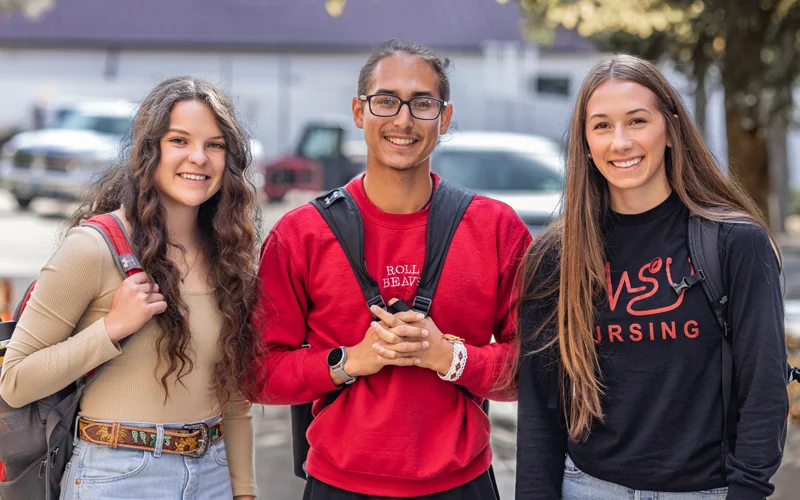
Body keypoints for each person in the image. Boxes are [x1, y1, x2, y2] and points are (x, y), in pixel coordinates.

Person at [253, 39, 531, 499]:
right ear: (359, 112)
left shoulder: (496, 229)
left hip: (462, 484)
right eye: (386, 101)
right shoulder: (300, 234)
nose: (403, 120)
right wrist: (347, 361)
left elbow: (536, 366)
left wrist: (451, 358)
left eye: (422, 103)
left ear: (444, 118)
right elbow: (257, 372)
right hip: (338, 485)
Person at [514, 54, 789, 499]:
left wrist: (746, 491)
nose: (620, 142)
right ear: (585, 143)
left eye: (637, 121)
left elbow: (764, 390)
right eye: (602, 126)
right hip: (588, 489)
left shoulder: (735, 243)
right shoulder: (555, 258)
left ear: (671, 129)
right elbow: (541, 410)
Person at [0, 77, 262, 500]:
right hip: (118, 476)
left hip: (213, 473)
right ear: (148, 150)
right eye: (180, 140)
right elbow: (14, 380)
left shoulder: (229, 256)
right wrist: (110, 330)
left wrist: (244, 491)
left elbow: (232, 396)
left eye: (215, 145)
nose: (199, 157)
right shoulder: (92, 248)